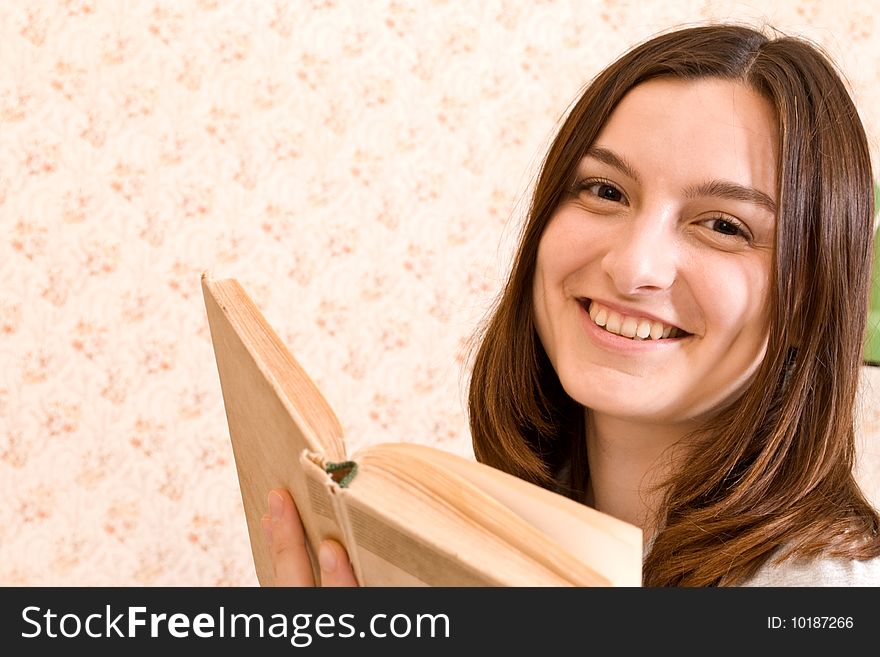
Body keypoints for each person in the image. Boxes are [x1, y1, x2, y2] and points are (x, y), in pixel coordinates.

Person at [260, 22, 880, 586]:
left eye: (723, 226)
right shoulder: (508, 542)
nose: (634, 265)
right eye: (605, 190)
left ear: (809, 300)